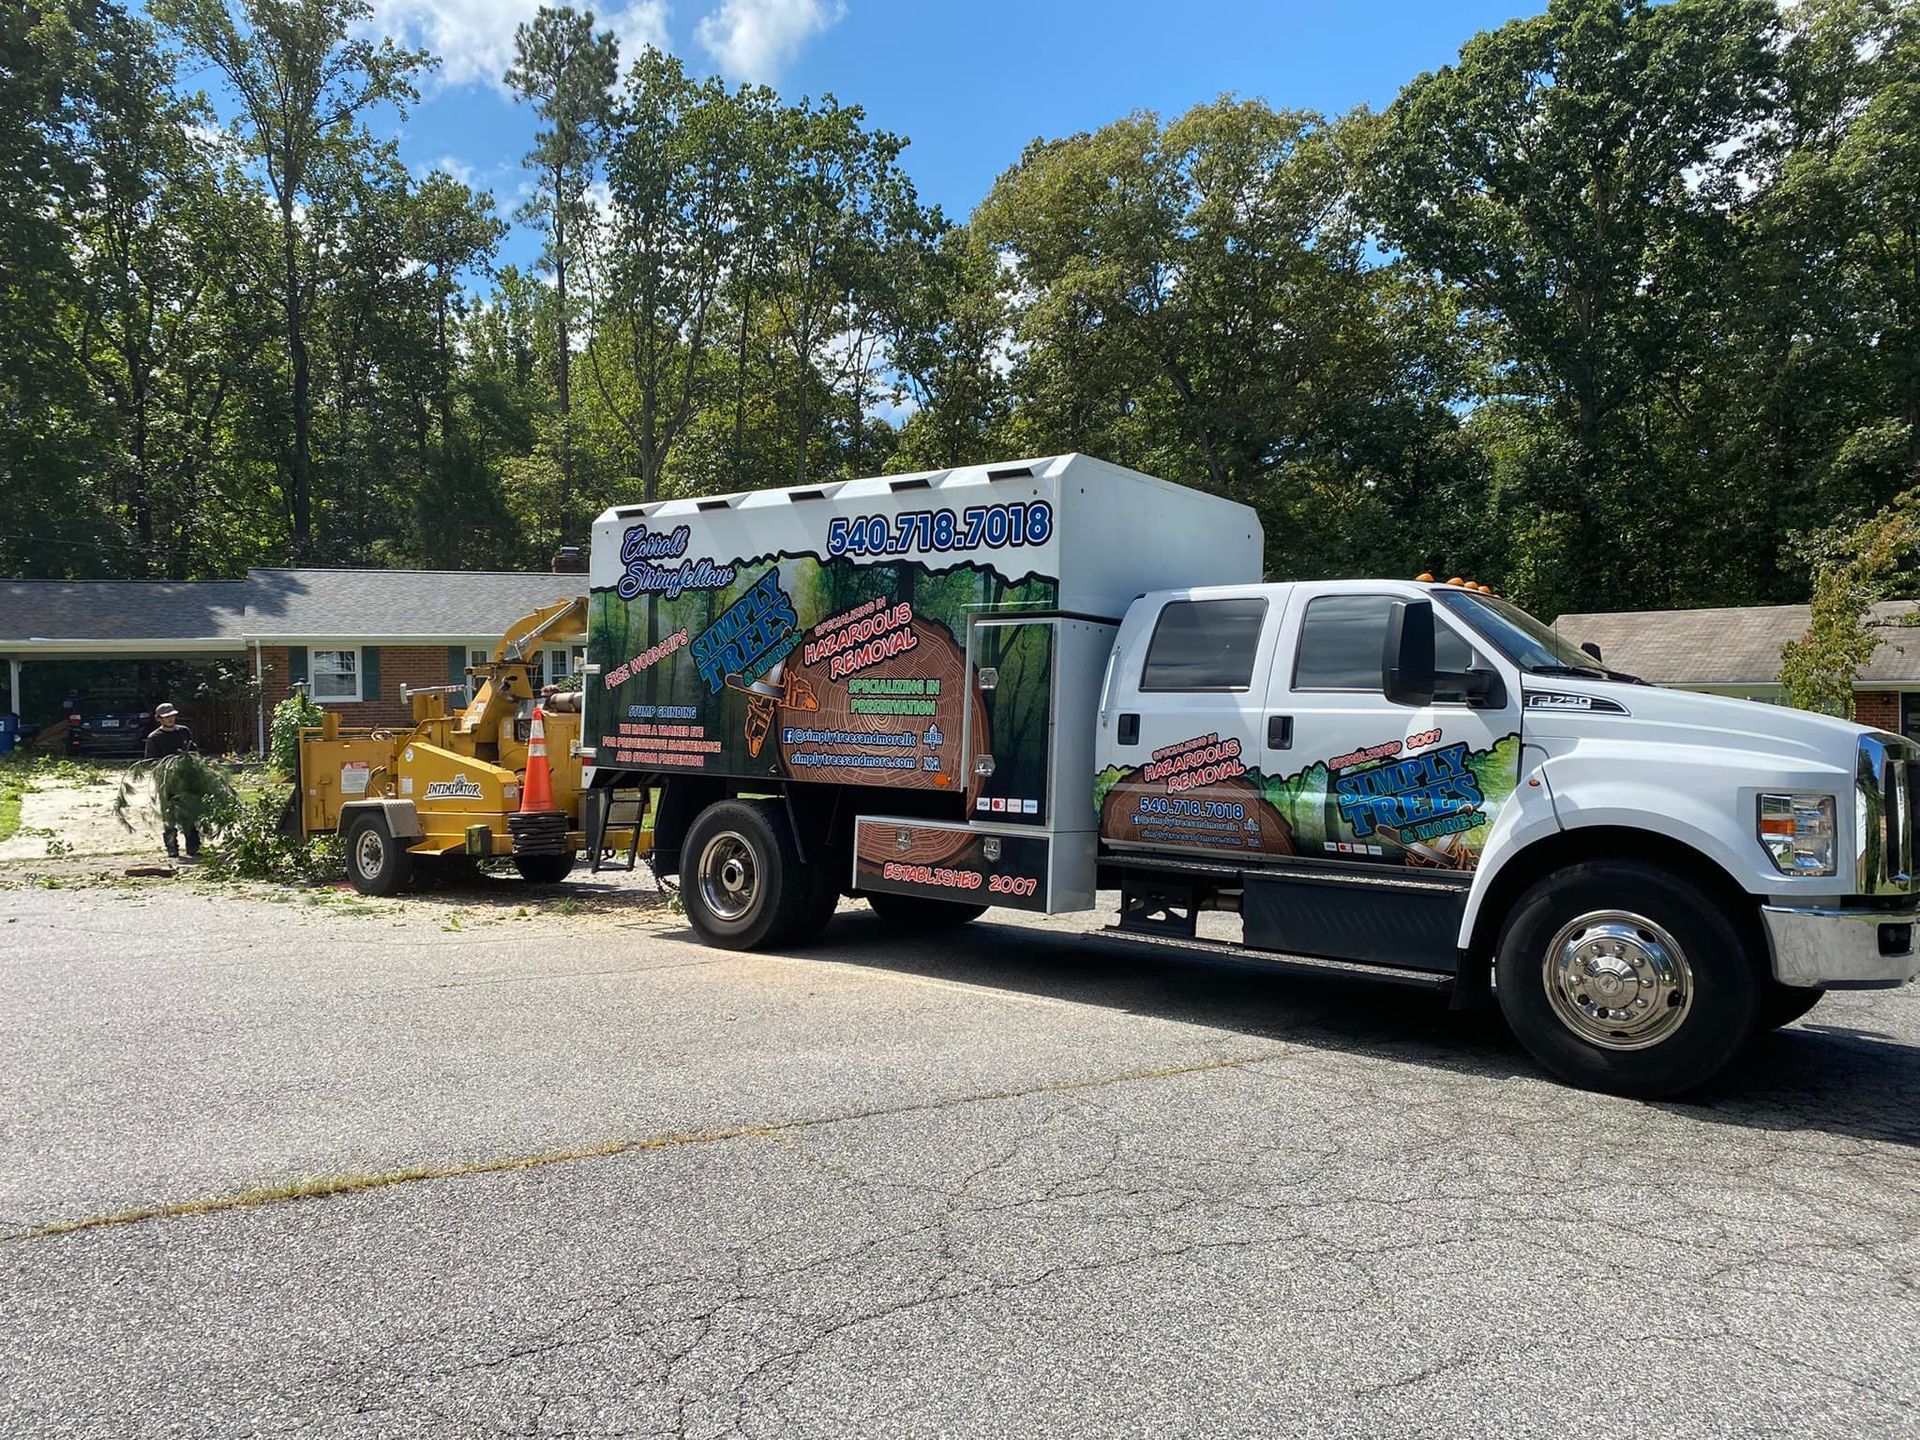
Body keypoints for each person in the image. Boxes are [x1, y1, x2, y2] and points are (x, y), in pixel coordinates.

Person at [144, 702, 199, 858]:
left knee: (189, 813)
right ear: (159, 719)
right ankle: (172, 848)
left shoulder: (184, 732)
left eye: (172, 716)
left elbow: (193, 751)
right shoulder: (154, 738)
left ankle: (193, 847)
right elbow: (151, 762)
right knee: (169, 815)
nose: (170, 719)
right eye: (166, 717)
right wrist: (169, 765)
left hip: (186, 778)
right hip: (166, 780)